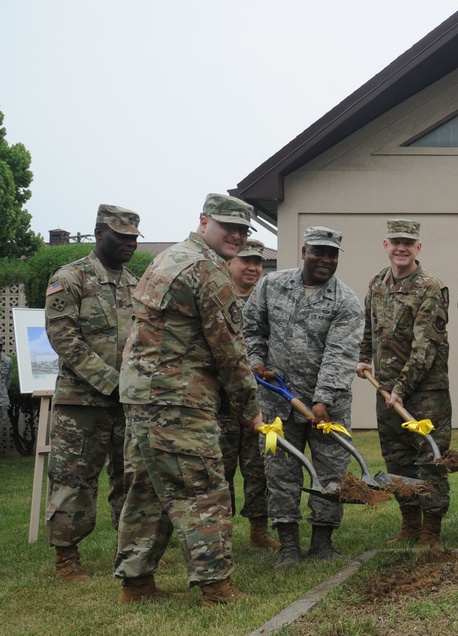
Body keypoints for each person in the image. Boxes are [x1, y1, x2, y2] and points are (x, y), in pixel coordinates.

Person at [113, 193, 262, 606]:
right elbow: (230, 351)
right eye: (226, 226)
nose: (235, 235)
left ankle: (136, 584)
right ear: (203, 222)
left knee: (147, 489)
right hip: (178, 397)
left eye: (242, 230)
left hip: (142, 395)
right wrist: (251, 410)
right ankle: (216, 588)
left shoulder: (166, 258)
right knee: (203, 488)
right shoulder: (208, 270)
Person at [244, 226, 363, 569]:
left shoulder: (345, 301)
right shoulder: (272, 285)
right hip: (277, 399)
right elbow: (252, 327)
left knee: (330, 470)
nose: (325, 260)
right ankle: (289, 545)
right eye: (318, 252)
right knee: (280, 470)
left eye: (332, 254)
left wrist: (322, 400)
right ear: (304, 252)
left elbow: (340, 355)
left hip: (329, 404)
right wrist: (256, 360)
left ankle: (323, 542)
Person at [45, 204, 141, 582]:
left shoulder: (136, 284)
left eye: (134, 238)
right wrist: (111, 382)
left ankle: (129, 552)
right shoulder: (70, 278)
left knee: (129, 477)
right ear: (100, 234)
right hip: (81, 402)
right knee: (74, 479)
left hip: (128, 403)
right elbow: (64, 338)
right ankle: (66, 559)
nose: (129, 244)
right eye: (122, 237)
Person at [356, 219, 451, 549]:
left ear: (418, 248)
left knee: (429, 460)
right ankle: (410, 522)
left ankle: (432, 530)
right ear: (386, 245)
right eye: (395, 241)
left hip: (425, 393)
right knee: (397, 459)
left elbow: (426, 346)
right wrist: (365, 359)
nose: (401, 247)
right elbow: (369, 330)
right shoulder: (377, 284)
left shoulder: (430, 288)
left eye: (408, 243)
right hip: (385, 391)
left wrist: (401, 388)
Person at [218, 239, 278, 549]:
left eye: (258, 262)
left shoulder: (268, 303)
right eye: (246, 261)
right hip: (223, 403)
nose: (254, 267)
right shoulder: (217, 298)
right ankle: (222, 534)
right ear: (230, 263)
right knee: (221, 469)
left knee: (259, 468)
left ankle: (259, 532)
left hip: (259, 400)